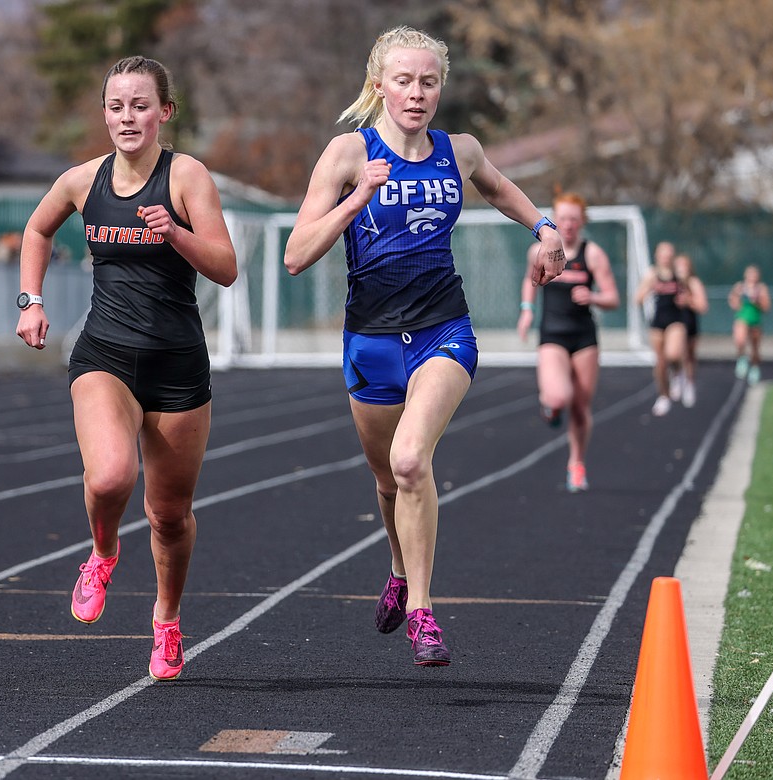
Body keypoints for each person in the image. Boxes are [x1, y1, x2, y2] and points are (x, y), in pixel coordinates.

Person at [282, 26, 565, 667]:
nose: (416, 93)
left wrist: (544, 227)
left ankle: (423, 612)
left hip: (443, 329)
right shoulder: (348, 154)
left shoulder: (457, 150)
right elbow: (297, 255)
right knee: (387, 481)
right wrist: (359, 196)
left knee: (412, 461)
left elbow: (495, 186)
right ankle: (397, 567)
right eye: (404, 80)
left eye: (428, 82)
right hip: (370, 339)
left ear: (441, 88)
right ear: (379, 83)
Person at [16, 55, 236, 681]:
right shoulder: (84, 181)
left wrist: (176, 235)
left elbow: (225, 266)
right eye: (116, 106)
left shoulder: (187, 177)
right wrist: (30, 300)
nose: (127, 117)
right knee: (111, 477)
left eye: (140, 105)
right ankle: (103, 551)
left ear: (165, 111)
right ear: (104, 114)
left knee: (169, 515)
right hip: (105, 353)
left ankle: (166, 622)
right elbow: (37, 230)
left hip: (177, 364)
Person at [517, 191, 619, 493]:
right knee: (559, 396)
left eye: (574, 219)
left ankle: (576, 463)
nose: (569, 224)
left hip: (584, 337)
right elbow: (529, 280)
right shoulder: (539, 250)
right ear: (555, 219)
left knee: (580, 406)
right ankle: (550, 403)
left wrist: (594, 297)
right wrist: (526, 310)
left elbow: (613, 297)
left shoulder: (593, 254)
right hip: (552, 334)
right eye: (563, 219)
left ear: (582, 222)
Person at [635, 241, 687, 416]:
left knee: (672, 353)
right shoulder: (652, 274)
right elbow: (638, 298)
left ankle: (679, 372)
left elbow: (690, 293)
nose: (666, 258)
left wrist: (685, 298)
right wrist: (650, 289)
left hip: (676, 320)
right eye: (663, 254)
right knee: (660, 363)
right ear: (657, 255)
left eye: (669, 254)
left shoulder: (679, 274)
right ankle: (664, 396)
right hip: (658, 321)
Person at [673, 253, 709, 406]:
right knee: (675, 352)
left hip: (690, 320)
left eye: (684, 266)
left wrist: (688, 301)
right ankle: (677, 376)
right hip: (674, 321)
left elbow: (703, 306)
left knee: (689, 355)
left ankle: (689, 383)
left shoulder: (694, 283)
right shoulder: (670, 282)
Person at [728, 264, 771, 385]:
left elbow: (766, 307)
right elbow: (733, 304)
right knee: (740, 339)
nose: (752, 277)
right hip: (742, 318)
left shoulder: (761, 289)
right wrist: (738, 297)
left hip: (755, 320)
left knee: (755, 348)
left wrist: (756, 301)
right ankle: (742, 358)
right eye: (750, 274)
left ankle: (755, 368)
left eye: (754, 274)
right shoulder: (739, 287)